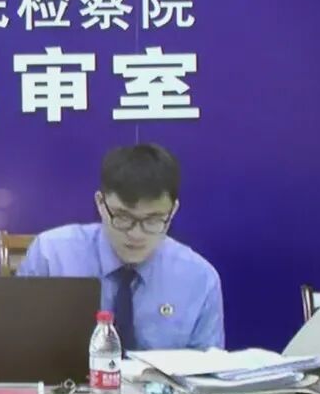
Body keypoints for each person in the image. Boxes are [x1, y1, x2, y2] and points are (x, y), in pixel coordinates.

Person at [16, 143, 223, 350]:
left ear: (173, 211)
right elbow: (19, 345)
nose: (136, 234)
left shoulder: (199, 278)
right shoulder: (51, 256)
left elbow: (208, 365)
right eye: (123, 217)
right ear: (100, 203)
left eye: (153, 220)